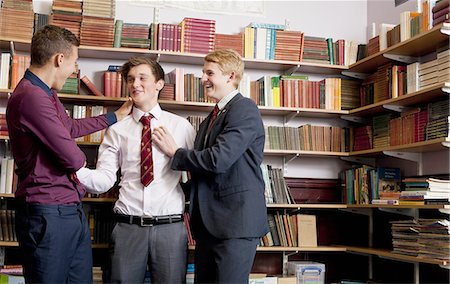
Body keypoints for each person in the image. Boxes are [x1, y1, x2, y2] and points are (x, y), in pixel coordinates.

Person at [5, 25, 133, 283]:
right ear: (59, 59)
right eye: (74, 62)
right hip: (47, 211)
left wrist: (113, 117)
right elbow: (74, 158)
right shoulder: (31, 97)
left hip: (68, 207)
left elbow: (71, 128)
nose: (75, 69)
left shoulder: (45, 92)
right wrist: (79, 158)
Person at [76, 55, 196, 283]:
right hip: (128, 228)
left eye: (142, 78)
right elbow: (103, 180)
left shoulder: (182, 127)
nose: (135, 84)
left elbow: (198, 173)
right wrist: (72, 167)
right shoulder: (117, 130)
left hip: (170, 228)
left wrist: (176, 153)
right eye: (130, 79)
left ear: (159, 83)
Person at [152, 48, 269, 283]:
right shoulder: (210, 118)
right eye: (203, 73)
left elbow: (218, 159)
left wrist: (175, 153)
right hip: (209, 225)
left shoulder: (244, 108)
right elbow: (202, 171)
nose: (203, 78)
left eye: (209, 73)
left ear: (231, 76)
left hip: (235, 224)